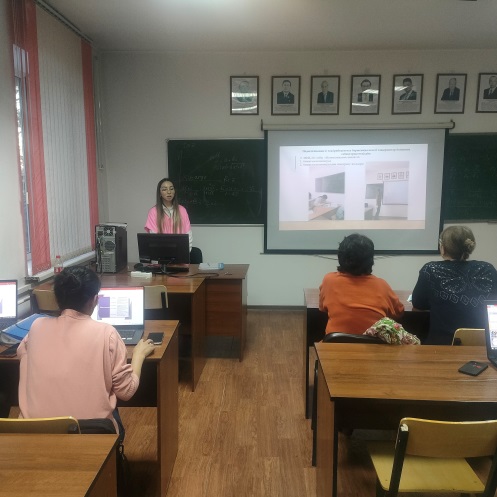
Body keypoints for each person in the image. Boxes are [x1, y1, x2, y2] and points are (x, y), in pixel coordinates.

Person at [17, 267, 155, 436]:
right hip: (90, 435)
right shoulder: (107, 333)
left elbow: (22, 351)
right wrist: (139, 355)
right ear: (95, 300)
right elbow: (126, 391)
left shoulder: (36, 327)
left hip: (35, 434)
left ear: (57, 299)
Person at [411, 226, 497, 345]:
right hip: (485, 345)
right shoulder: (488, 269)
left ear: (443, 248)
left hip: (444, 345)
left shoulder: (431, 270)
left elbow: (418, 304)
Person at [319, 234, 404, 335]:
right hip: (374, 344)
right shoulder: (382, 285)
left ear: (340, 257)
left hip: (334, 344)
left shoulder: (329, 280)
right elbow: (399, 312)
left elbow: (322, 309)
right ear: (371, 260)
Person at [145, 178, 192, 251]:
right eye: (164, 189)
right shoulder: (153, 212)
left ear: (174, 191)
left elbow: (188, 235)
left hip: (180, 253)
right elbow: (154, 239)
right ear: (160, 193)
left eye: (171, 189)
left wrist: (185, 252)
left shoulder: (182, 210)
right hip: (161, 254)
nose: (169, 192)